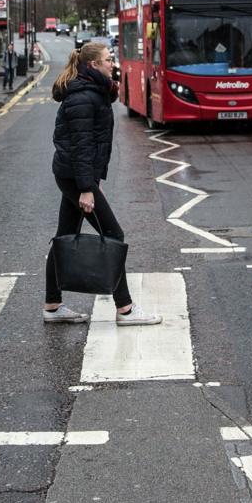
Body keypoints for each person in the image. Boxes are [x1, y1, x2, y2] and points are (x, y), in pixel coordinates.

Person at [45, 42, 161, 326]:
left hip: (74, 175)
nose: (113, 63)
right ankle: (126, 310)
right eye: (109, 60)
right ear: (93, 65)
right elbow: (82, 146)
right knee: (113, 235)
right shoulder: (84, 97)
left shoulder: (93, 91)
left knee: (64, 236)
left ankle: (52, 305)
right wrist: (87, 187)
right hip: (76, 176)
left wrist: (90, 181)